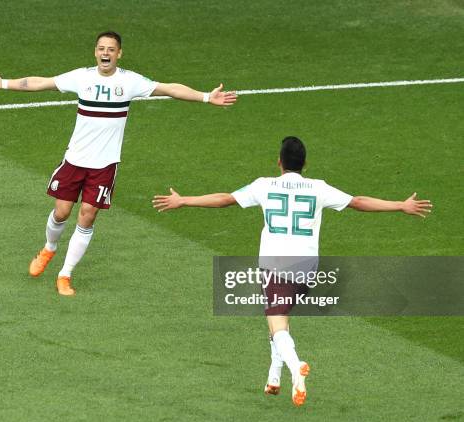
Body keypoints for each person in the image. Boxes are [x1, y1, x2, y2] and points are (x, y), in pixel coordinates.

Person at [152, 136, 431, 406]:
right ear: (305, 164)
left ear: (279, 162)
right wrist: (400, 206)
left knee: (277, 323)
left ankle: (297, 368)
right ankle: (274, 377)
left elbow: (225, 198)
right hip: (307, 268)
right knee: (279, 315)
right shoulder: (318, 187)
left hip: (276, 265)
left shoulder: (264, 185)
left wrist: (184, 200)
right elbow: (358, 201)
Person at [0, 31, 237, 296]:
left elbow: (169, 88)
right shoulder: (82, 77)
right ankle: (49, 248)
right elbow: (41, 82)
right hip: (75, 160)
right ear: (95, 52)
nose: (105, 53)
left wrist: (205, 97)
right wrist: (3, 83)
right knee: (61, 212)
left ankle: (65, 275)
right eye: (101, 48)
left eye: (111, 49)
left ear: (119, 53)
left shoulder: (130, 81)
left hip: (105, 165)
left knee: (87, 216)